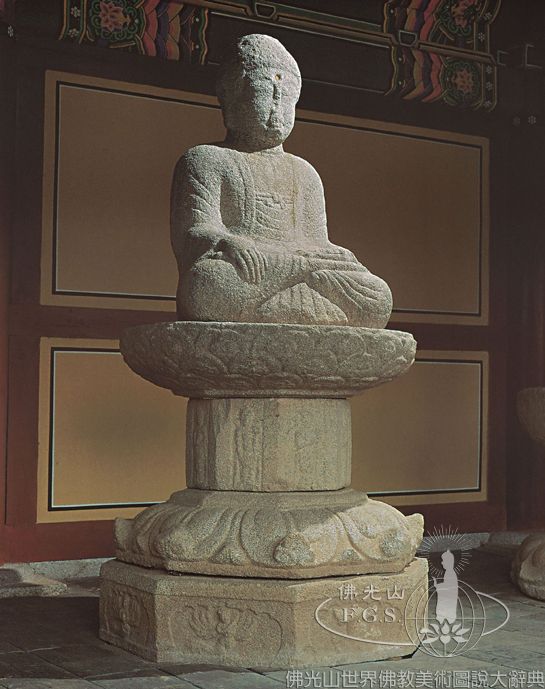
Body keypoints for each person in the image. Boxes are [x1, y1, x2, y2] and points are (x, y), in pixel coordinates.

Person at [170, 33, 392, 327]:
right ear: (232, 99)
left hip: (288, 271)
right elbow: (194, 231)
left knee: (378, 296)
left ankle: (277, 299)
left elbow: (316, 242)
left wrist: (337, 256)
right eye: (265, 93)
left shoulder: (304, 172)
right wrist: (229, 241)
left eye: (286, 98)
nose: (277, 107)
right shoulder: (206, 159)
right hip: (251, 270)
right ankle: (301, 297)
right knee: (207, 283)